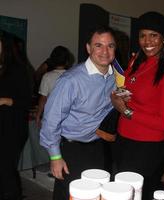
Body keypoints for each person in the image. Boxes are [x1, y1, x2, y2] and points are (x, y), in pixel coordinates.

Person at [39, 26, 117, 200]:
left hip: (99, 147)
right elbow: (50, 120)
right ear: (88, 48)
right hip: (72, 150)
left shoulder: (116, 77)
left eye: (110, 46)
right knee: (70, 196)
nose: (105, 51)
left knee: (97, 194)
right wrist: (55, 157)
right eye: (98, 45)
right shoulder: (71, 80)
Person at [110, 11, 164, 200]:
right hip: (124, 139)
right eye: (142, 35)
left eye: (154, 35)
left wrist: (126, 110)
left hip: (147, 146)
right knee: (122, 192)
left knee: (137, 194)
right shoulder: (137, 61)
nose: (147, 41)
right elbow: (132, 90)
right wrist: (119, 96)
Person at [0, 31, 32, 200]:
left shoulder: (18, 70)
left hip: (12, 128)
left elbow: (26, 101)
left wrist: (5, 100)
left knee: (6, 169)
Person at [35, 46, 72, 127]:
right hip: (68, 117)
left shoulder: (47, 76)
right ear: (67, 61)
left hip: (51, 117)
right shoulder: (72, 76)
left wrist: (38, 115)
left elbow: (43, 99)